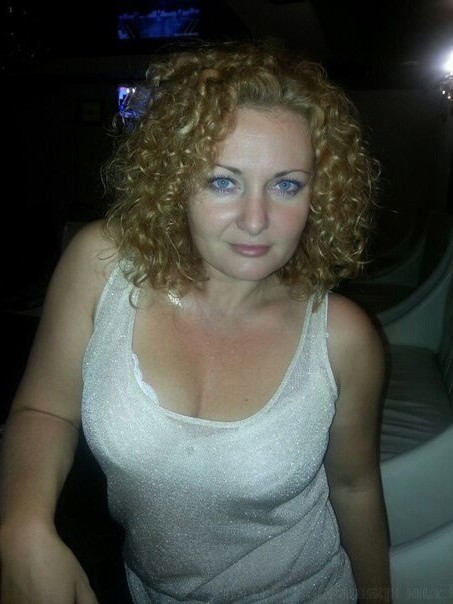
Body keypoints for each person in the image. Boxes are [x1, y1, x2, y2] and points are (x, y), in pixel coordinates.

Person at [0, 38, 392, 603]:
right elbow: (44, 409)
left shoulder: (343, 338)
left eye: (286, 184)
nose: (255, 220)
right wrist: (22, 527)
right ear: (175, 180)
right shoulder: (102, 267)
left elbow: (354, 488)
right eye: (222, 180)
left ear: (320, 195)